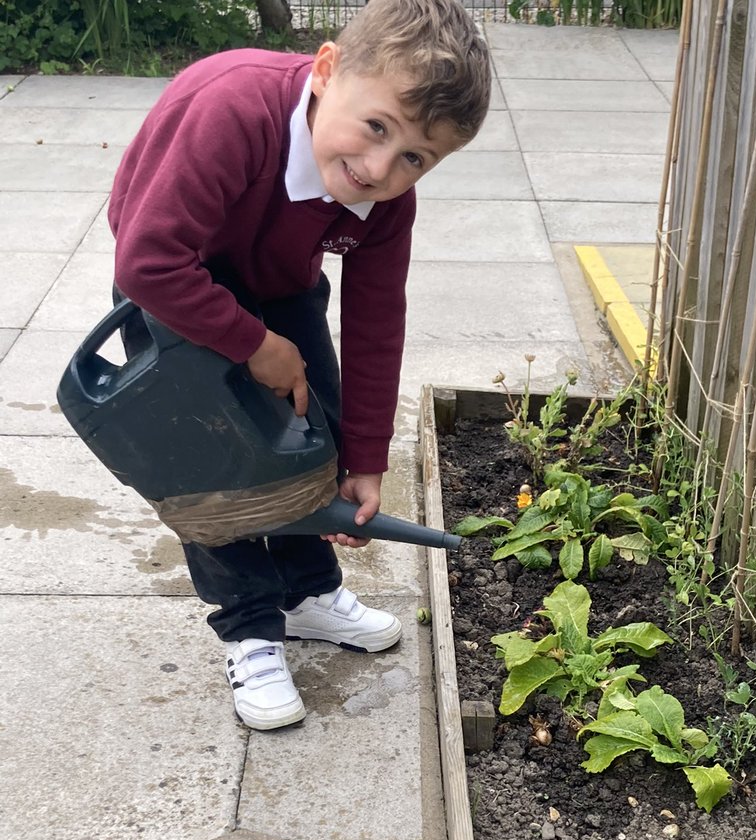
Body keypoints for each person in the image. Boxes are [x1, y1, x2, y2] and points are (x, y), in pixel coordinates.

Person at [108, 0, 491, 730]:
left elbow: (377, 321)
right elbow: (148, 260)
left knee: (315, 432)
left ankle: (309, 592)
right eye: (376, 128)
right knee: (210, 471)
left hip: (278, 284)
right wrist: (255, 346)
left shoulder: (385, 205)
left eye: (416, 157)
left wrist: (366, 460)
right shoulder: (233, 110)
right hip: (171, 286)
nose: (380, 168)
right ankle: (251, 625)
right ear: (325, 70)